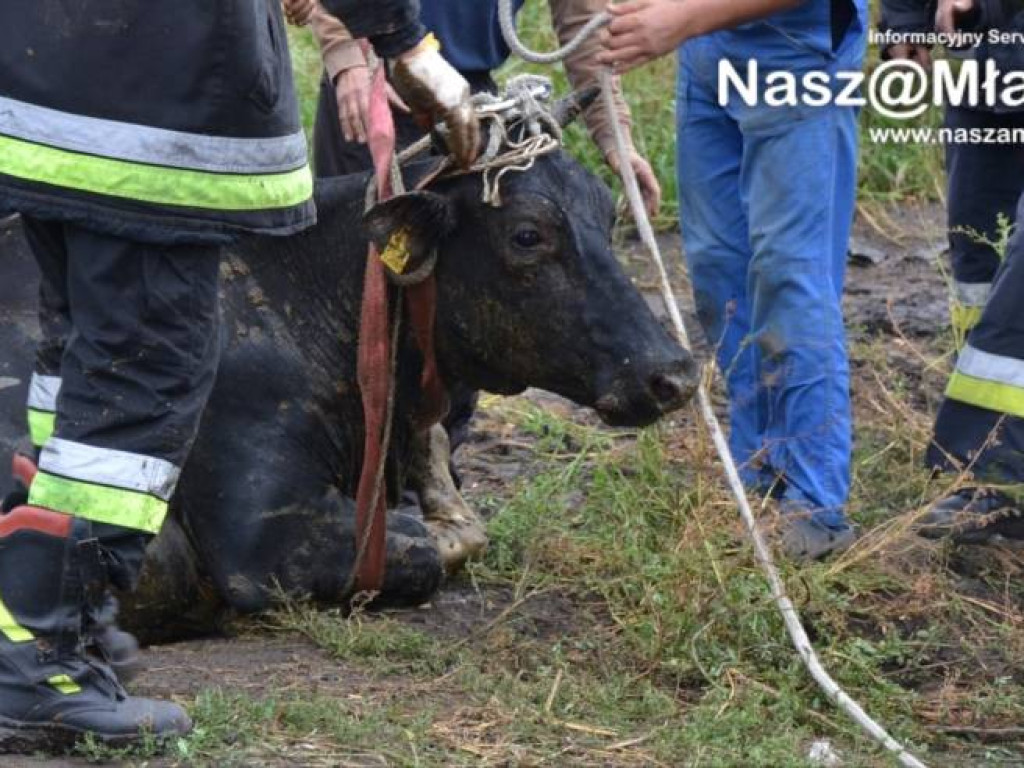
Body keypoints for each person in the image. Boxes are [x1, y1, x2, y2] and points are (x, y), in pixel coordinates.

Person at [0, 0, 478, 751]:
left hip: (43, 86)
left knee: (83, 355)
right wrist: (400, 37)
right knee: (145, 367)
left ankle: (33, 616)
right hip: (151, 101)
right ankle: (45, 659)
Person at [601, 0, 868, 559]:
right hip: (708, 58)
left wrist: (677, 21)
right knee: (719, 272)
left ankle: (816, 507)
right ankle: (760, 472)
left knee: (789, 274)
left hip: (798, 57)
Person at [307, 0, 660, 216]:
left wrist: (617, 141)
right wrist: (347, 56)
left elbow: (585, 27)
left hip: (472, 103)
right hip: (373, 87)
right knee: (357, 271)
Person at [907, 0, 1024, 543]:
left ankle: (995, 469)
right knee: (978, 266)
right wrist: (907, 22)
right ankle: (988, 472)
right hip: (989, 73)